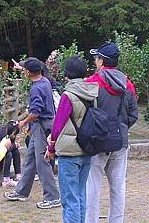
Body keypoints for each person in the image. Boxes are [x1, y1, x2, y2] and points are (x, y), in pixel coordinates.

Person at [84, 43, 138, 223]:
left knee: (92, 187)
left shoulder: (92, 83)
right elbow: (133, 115)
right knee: (118, 187)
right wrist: (120, 128)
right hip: (119, 142)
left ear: (101, 61)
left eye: (96, 58)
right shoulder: (127, 84)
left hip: (96, 142)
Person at [45, 56, 98, 222]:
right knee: (81, 195)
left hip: (69, 153)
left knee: (70, 199)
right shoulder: (91, 93)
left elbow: (58, 125)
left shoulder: (68, 95)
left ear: (67, 73)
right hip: (86, 149)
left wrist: (51, 148)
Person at [4, 57, 61, 209]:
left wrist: (22, 123)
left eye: (24, 70)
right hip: (40, 127)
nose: (23, 72)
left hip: (41, 127)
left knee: (43, 162)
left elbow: (35, 112)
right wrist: (20, 66)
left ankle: (53, 196)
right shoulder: (45, 81)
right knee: (30, 160)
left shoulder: (36, 88)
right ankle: (21, 192)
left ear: (29, 72)